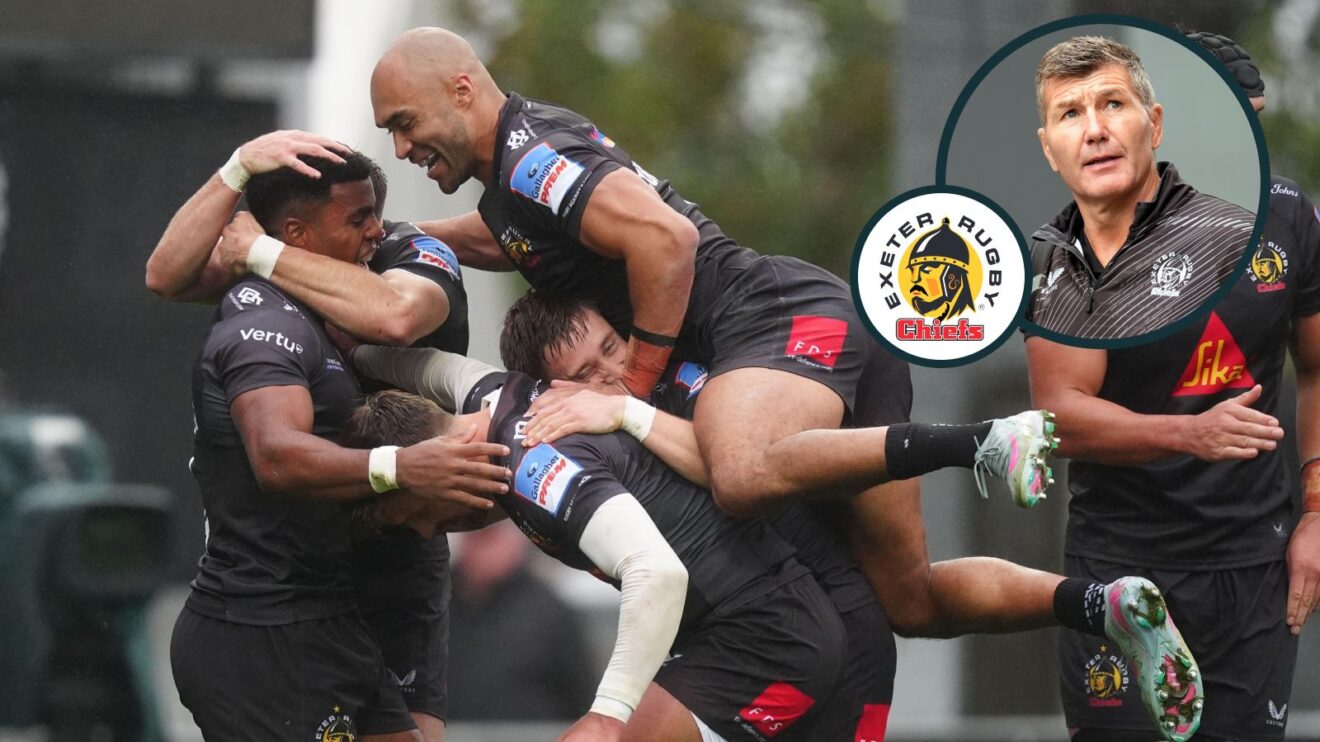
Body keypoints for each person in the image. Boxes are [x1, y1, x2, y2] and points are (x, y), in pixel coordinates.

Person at [497, 291, 1210, 741]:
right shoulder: (579, 431)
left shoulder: (657, 390)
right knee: (913, 598)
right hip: (825, 575)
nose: (612, 376)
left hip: (803, 573)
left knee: (757, 491)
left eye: (612, 352)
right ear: (548, 392)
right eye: (587, 376)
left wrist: (619, 406)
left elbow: (723, 471)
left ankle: (981, 441)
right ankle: (1101, 602)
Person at [1025, 31, 1320, 742]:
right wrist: (1189, 434)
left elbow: (1317, 366)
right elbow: (1058, 415)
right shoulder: (1079, 237)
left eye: (1252, 120)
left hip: (1254, 569)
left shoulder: (1286, 215)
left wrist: (1316, 508)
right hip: (1126, 571)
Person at [165, 152, 510, 742]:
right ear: (296, 234)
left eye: (375, 213)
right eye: (356, 220)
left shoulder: (399, 257)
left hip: (362, 591)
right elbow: (164, 276)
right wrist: (238, 167)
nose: (377, 229)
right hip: (267, 618)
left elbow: (399, 319)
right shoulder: (263, 321)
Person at [341, 385, 849, 742]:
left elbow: (658, 573)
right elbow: (426, 363)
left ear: (441, 456)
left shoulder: (537, 473)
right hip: (750, 629)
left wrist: (606, 716)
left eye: (420, 514)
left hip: (768, 642)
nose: (431, 532)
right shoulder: (497, 398)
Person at [1027, 35, 1256, 340]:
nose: (1095, 131)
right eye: (1071, 113)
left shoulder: (1234, 240)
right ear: (1048, 149)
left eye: (1113, 104)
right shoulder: (1039, 260)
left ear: (1155, 126)